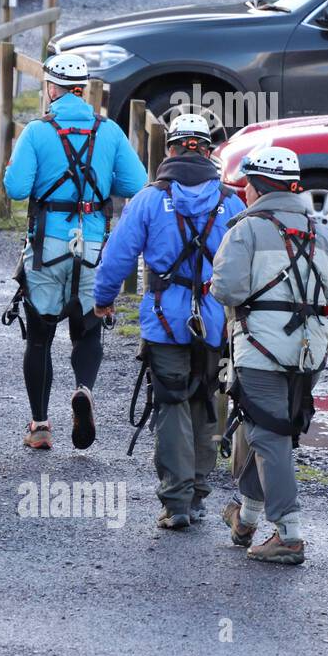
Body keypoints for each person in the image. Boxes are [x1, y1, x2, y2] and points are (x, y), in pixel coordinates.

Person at [93, 114, 245, 528]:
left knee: (171, 402)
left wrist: (103, 300)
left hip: (165, 318)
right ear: (208, 151)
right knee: (206, 399)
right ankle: (196, 493)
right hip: (214, 318)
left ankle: (176, 502)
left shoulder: (148, 199)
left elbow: (118, 256)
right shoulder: (231, 202)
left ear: (171, 149)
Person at [211, 145, 328, 565]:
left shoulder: (245, 230)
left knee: (268, 434)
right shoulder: (323, 232)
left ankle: (289, 534)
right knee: (272, 429)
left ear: (256, 187)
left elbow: (227, 289)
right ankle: (247, 517)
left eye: (246, 187)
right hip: (310, 352)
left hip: (259, 349)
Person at [2, 52, 147, 450]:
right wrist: (99, 185)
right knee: (87, 331)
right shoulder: (109, 131)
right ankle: (83, 388)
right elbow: (137, 182)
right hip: (94, 243)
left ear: (52, 88)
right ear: (83, 90)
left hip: (48, 242)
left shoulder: (36, 131)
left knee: (40, 338)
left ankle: (40, 426)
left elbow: (15, 189)